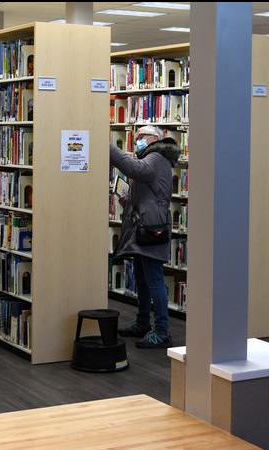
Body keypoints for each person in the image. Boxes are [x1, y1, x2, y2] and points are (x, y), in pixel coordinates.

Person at [110, 126, 179, 349]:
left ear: (155, 139)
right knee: (142, 277)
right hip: (144, 227)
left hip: (152, 229)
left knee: (154, 279)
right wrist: (127, 198)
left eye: (142, 136)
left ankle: (162, 331)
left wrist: (108, 147)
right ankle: (142, 323)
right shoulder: (151, 158)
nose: (137, 139)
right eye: (137, 136)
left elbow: (135, 169)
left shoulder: (156, 157)